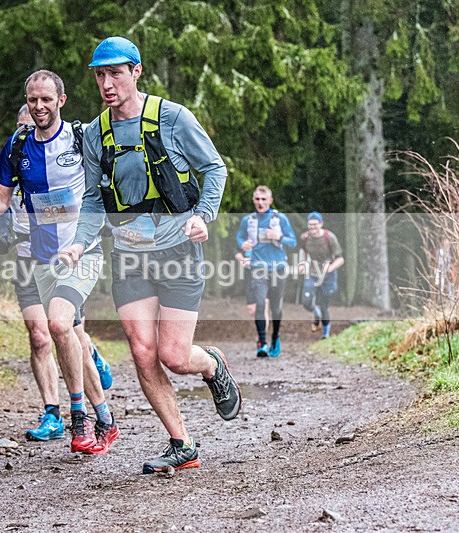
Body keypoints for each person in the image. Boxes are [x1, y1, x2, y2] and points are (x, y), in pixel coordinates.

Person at [59, 36, 242, 474]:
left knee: (174, 356)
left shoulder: (173, 118)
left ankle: (212, 363)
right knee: (143, 352)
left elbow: (214, 168)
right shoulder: (96, 134)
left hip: (178, 249)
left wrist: (204, 215)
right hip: (129, 255)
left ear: (136, 72)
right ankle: (182, 444)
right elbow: (91, 200)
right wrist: (80, 241)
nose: (107, 83)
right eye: (100, 75)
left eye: (116, 73)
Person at [0, 70, 119, 455]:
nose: (39, 106)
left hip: (81, 253)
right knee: (70, 336)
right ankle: (104, 417)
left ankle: (78, 418)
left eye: (46, 100)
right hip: (40, 259)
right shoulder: (17, 145)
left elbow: (112, 178)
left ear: (61, 101)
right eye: (33, 100)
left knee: (57, 325)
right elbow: (2, 201)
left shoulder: (80, 136)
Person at [235, 185, 296, 357]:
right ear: (253, 200)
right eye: (257, 199)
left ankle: (275, 337)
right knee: (260, 303)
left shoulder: (280, 219)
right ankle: (262, 342)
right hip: (258, 268)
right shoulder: (248, 220)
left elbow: (292, 242)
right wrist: (243, 244)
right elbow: (240, 237)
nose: (260, 202)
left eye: (263, 199)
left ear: (270, 200)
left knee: (276, 307)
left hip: (278, 268)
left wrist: (279, 237)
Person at [298, 212, 344, 338]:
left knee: (324, 305)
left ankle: (326, 334)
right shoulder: (305, 238)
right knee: (306, 302)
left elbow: (340, 259)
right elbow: (303, 250)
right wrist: (302, 264)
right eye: (310, 225)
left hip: (328, 275)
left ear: (321, 224)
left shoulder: (329, 237)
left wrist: (331, 267)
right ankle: (316, 314)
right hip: (312, 273)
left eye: (315, 225)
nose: (312, 228)